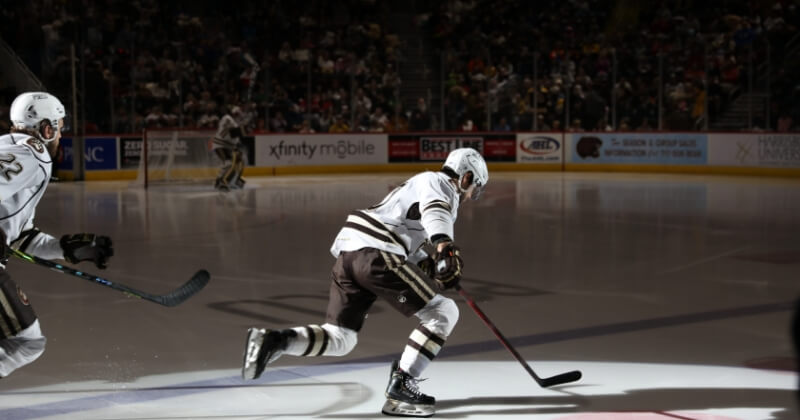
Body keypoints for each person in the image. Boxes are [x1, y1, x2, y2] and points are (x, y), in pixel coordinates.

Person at [242, 148, 489, 417]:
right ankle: (402, 386)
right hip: (375, 254)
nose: (468, 196)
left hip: (351, 255)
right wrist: (444, 246)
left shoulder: (421, 184)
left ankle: (275, 341)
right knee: (443, 312)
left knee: (341, 338)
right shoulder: (441, 183)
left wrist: (427, 261)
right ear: (465, 178)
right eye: (473, 188)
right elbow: (435, 212)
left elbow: (403, 231)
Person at [0, 92, 113, 377]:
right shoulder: (34, 154)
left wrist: (65, 249)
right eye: (60, 128)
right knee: (25, 344)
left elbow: (20, 236)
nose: (61, 135)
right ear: (46, 129)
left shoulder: (11, 146)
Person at [213, 106, 246, 191]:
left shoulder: (233, 121)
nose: (239, 117)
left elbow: (235, 136)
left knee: (240, 161)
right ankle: (219, 181)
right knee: (228, 163)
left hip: (227, 145)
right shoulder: (228, 118)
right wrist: (243, 129)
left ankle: (233, 180)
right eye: (238, 115)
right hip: (220, 144)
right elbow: (233, 132)